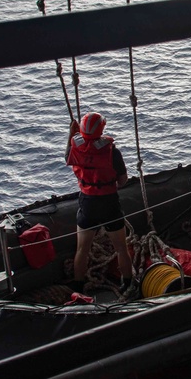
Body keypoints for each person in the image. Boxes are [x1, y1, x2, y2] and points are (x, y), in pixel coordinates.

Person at [66, 112, 133, 290]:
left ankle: (78, 287)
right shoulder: (112, 152)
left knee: (82, 250)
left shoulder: (75, 147)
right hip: (109, 203)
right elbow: (123, 181)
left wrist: (71, 134)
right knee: (121, 249)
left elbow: (68, 157)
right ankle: (127, 284)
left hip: (87, 203)